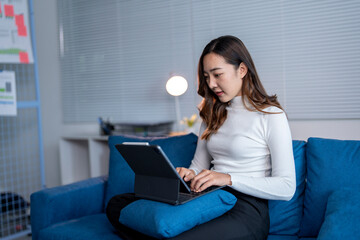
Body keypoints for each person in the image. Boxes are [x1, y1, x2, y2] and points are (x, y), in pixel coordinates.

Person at [106, 35, 296, 240]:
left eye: (217, 74)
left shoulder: (270, 115)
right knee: (118, 205)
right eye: (206, 77)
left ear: (242, 70)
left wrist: (228, 179)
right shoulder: (212, 112)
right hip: (207, 195)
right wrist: (187, 174)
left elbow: (286, 187)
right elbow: (198, 165)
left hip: (246, 207)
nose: (212, 84)